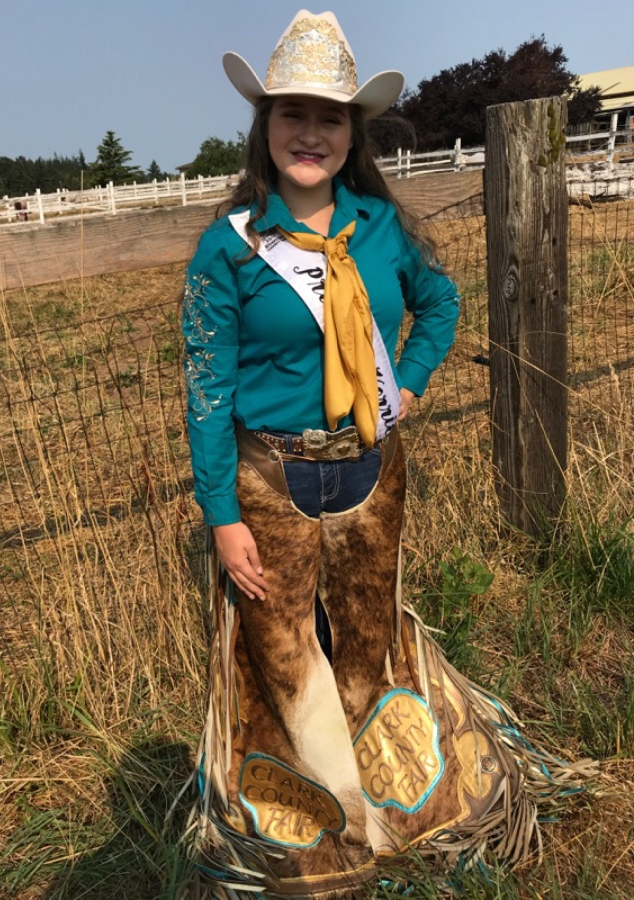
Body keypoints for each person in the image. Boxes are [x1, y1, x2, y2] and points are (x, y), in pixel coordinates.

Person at [182, 11, 593, 898]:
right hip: (269, 481)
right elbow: (206, 395)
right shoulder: (228, 249)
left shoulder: (378, 229)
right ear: (265, 128)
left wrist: (404, 382)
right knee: (285, 655)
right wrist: (220, 517)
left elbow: (439, 304)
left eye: (329, 118)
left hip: (372, 473)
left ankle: (392, 804)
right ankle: (327, 841)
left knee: (364, 645)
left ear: (351, 135)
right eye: (291, 114)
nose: (309, 133)